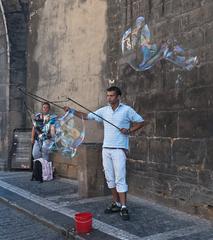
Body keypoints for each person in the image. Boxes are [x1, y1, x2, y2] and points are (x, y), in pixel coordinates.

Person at [65, 86, 144, 220]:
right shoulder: (104, 111)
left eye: (111, 96)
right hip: (106, 149)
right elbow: (86, 116)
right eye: (107, 95)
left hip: (119, 149)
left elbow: (141, 122)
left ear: (118, 97)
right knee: (110, 178)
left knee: (120, 178)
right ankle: (116, 203)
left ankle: (124, 206)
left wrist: (129, 130)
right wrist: (72, 111)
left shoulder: (127, 110)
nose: (109, 98)